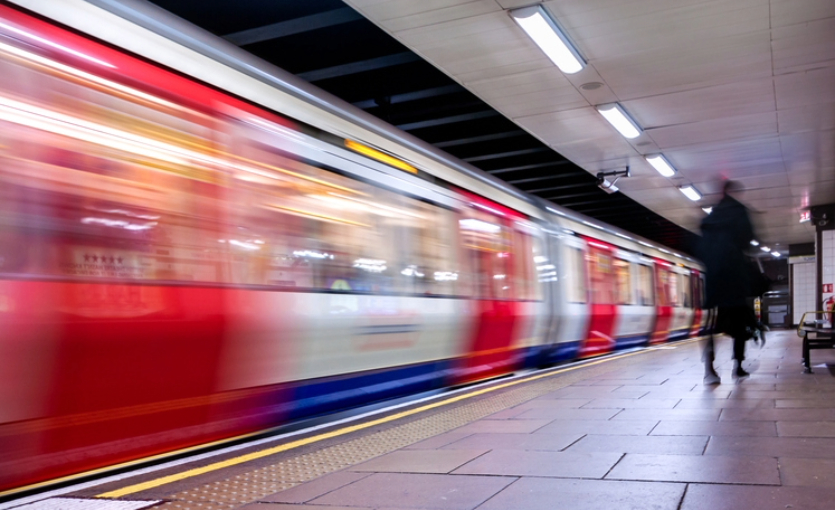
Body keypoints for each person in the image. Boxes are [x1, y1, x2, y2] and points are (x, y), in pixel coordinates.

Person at [699, 180, 756, 383]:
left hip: (714, 280)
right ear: (732, 191)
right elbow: (748, 239)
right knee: (740, 324)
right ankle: (738, 366)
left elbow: (701, 247)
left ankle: (709, 369)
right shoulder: (739, 212)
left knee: (710, 326)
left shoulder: (710, 218)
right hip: (734, 278)